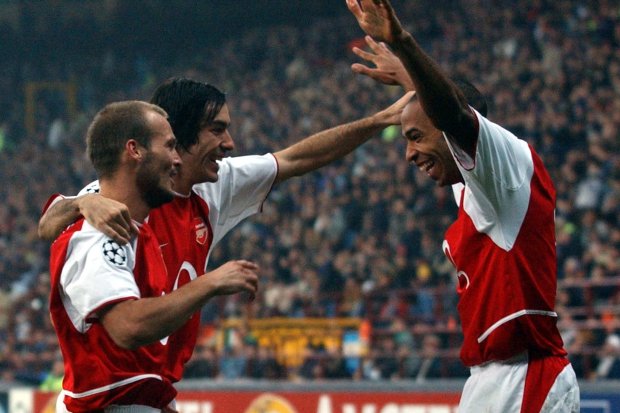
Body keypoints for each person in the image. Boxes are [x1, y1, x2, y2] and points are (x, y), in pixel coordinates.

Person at [39, 78, 411, 384]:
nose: (229, 144)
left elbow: (298, 157)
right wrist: (81, 204)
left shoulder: (213, 187)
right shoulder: (116, 203)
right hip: (110, 394)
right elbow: (51, 225)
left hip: (151, 389)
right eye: (216, 130)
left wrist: (381, 120)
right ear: (179, 138)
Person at [345, 0, 580, 411]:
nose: (409, 154)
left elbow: (451, 112)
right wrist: (407, 76)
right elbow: (442, 110)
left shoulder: (507, 170)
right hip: (489, 379)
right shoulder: (472, 185)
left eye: (415, 137)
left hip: (527, 379)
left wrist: (403, 43)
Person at [48, 100, 258, 412]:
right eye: (170, 146)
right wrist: (209, 284)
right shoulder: (99, 235)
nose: (177, 160)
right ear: (134, 150)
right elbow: (128, 327)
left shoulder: (139, 232)